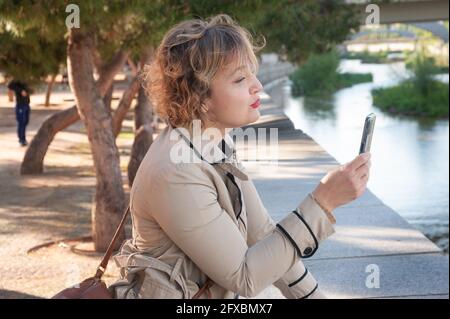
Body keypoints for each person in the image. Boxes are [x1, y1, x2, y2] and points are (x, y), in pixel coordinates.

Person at [110, 14, 371, 299]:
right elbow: (245, 278)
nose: (257, 85)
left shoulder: (211, 141)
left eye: (252, 72)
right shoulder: (176, 171)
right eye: (239, 79)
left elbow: (263, 235)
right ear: (199, 97)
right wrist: (323, 202)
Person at [8, 80, 31, 146]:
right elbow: (10, 85)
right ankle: (22, 140)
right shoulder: (18, 77)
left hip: (27, 104)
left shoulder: (27, 76)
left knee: (26, 122)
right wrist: (21, 91)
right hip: (20, 105)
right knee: (21, 122)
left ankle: (23, 139)